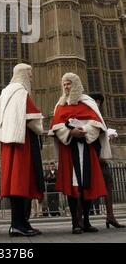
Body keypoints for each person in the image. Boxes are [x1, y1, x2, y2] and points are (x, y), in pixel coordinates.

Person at [48, 73, 111, 234]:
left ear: (76, 84)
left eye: (69, 84)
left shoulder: (87, 103)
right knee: (74, 185)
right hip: (70, 150)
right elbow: (56, 126)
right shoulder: (60, 105)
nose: (66, 87)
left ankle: (87, 221)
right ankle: (76, 222)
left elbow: (97, 124)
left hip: (86, 148)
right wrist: (70, 133)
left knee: (86, 185)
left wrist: (84, 130)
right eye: (64, 84)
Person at [0, 63, 45, 237]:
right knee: (20, 184)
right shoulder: (20, 92)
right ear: (24, 75)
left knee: (17, 185)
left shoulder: (6, 92)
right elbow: (33, 120)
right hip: (22, 144)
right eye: (30, 74)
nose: (32, 78)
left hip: (9, 143)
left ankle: (21, 223)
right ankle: (18, 224)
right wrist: (41, 127)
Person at [89, 93, 125, 229]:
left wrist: (108, 139)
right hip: (90, 157)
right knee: (84, 188)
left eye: (99, 102)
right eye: (95, 101)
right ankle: (82, 220)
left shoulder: (99, 117)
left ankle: (110, 216)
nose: (97, 104)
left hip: (101, 158)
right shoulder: (86, 114)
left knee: (108, 184)